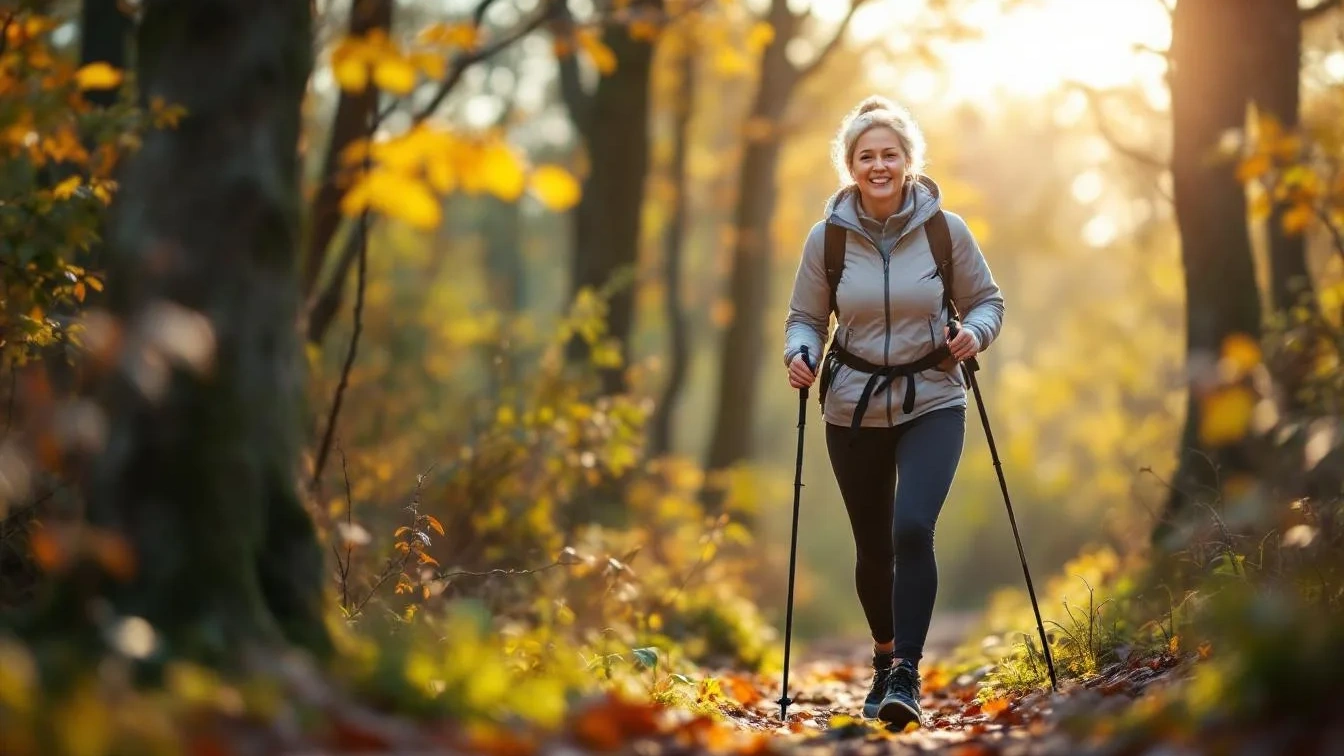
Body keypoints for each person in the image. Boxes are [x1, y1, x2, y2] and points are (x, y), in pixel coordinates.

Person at [782, 95, 1004, 728]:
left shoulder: (945, 230)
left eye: (890, 154)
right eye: (866, 156)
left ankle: (906, 669)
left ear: (909, 161)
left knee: (912, 528)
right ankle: (882, 659)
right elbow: (805, 317)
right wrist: (800, 351)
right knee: (873, 546)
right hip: (850, 404)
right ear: (850, 166)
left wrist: (975, 335)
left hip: (933, 397)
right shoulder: (826, 239)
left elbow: (986, 301)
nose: (879, 165)